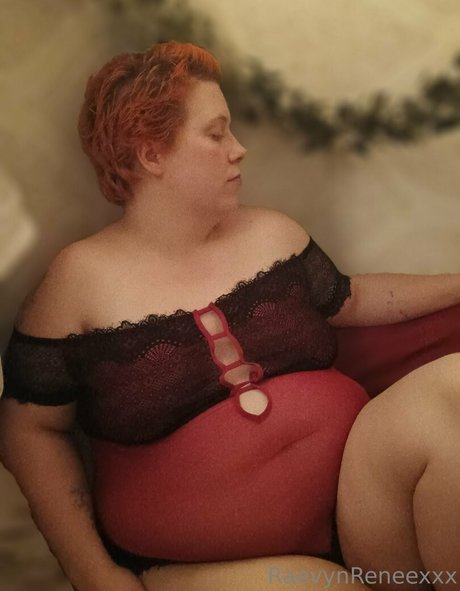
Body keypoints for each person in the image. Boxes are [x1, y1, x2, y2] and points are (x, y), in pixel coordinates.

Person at [0, 40, 459, 591]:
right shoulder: (77, 280)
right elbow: (29, 429)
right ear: (151, 155)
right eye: (216, 134)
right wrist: (93, 572)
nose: (238, 150)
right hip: (210, 564)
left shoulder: (272, 232)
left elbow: (350, 299)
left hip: (360, 502)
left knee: (449, 390)